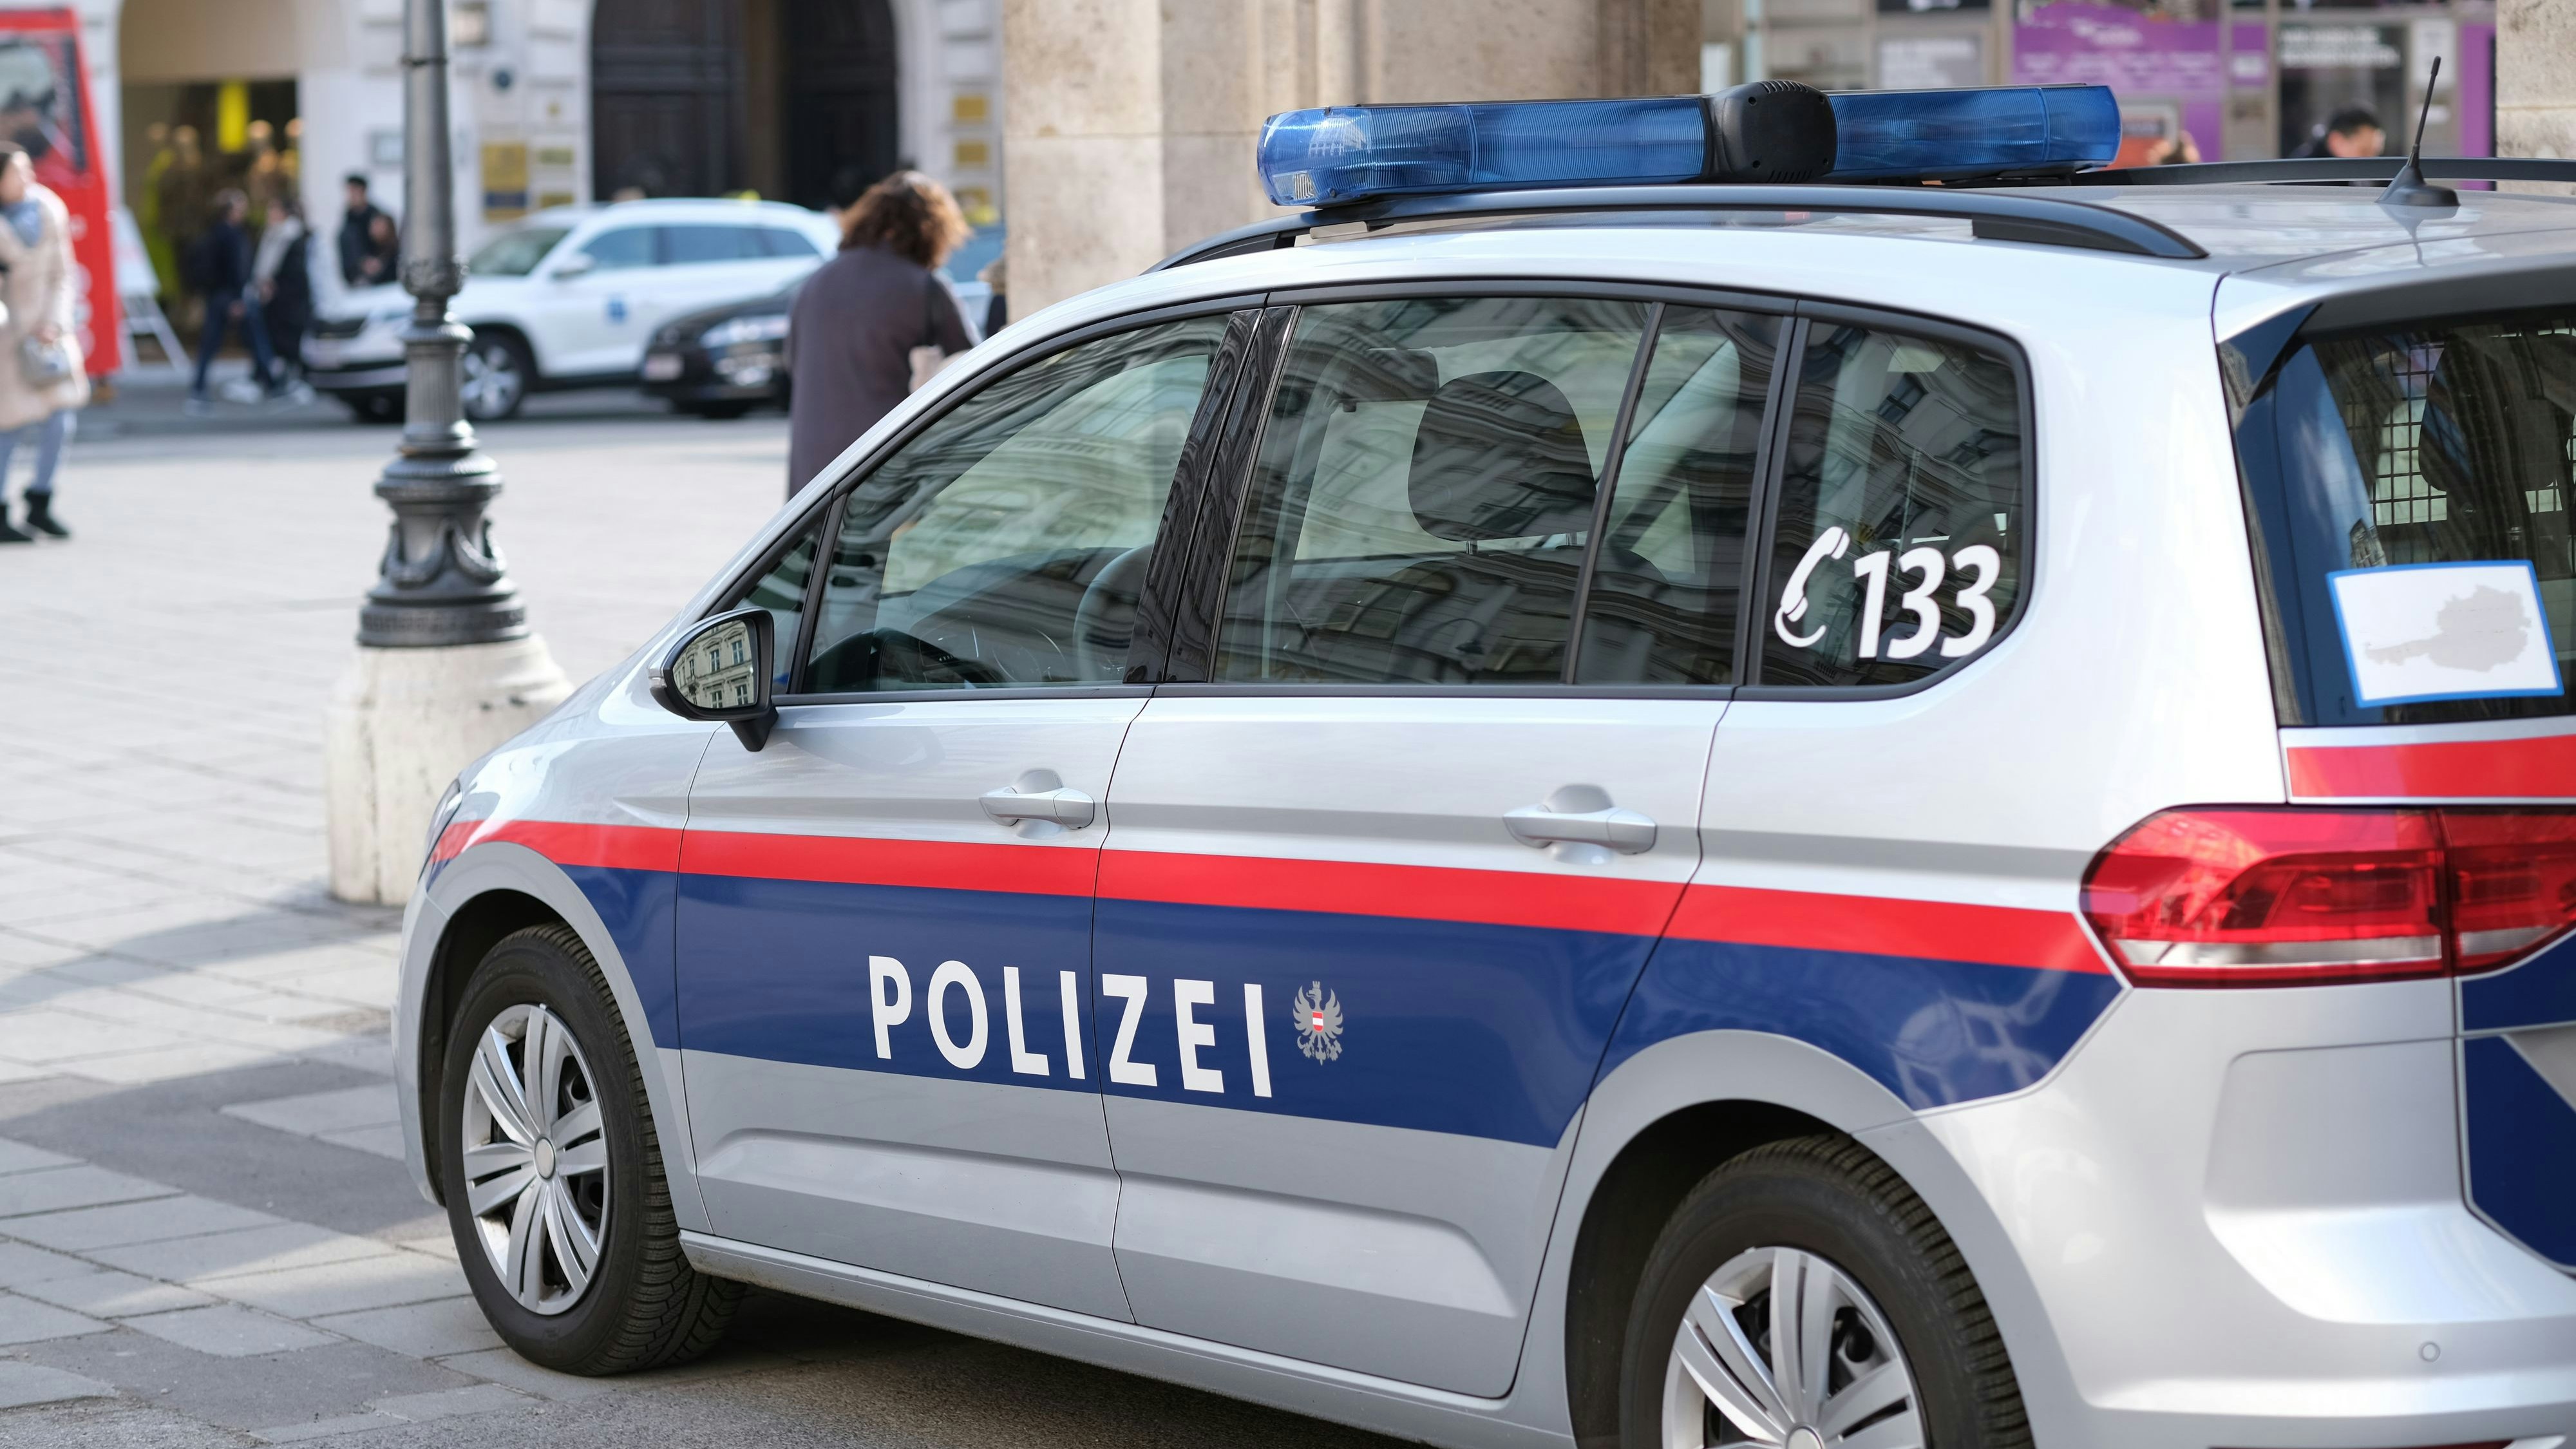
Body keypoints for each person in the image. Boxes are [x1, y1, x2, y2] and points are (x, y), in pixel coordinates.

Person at [783, 170, 978, 500]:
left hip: (812, 471)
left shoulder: (814, 283)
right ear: (933, 229)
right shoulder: (923, 287)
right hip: (885, 466)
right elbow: (975, 370)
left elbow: (792, 362)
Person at [0, 144, 88, 543]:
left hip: (48, 334)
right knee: (8, 427)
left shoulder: (48, 209)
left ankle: (41, 501)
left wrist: (54, 322)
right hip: (6, 338)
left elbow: (63, 272)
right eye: (17, 172)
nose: (27, 177)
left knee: (60, 418)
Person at [185, 189, 279, 414]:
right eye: (240, 207)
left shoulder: (219, 233)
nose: (244, 211)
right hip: (230, 296)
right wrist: (237, 298)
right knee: (252, 339)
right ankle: (273, 383)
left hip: (223, 296)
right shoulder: (229, 235)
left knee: (224, 342)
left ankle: (269, 381)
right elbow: (234, 269)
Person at [252, 192, 316, 399]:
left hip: (289, 301)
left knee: (290, 343)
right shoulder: (273, 234)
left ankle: (294, 382)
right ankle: (274, 380)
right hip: (276, 300)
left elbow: (295, 273)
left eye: (274, 209)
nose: (270, 214)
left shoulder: (292, 236)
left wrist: (273, 285)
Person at [337, 173, 395, 287]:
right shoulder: (349, 218)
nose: (350, 195)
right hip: (357, 278)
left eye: (354, 190)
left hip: (380, 279)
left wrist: (377, 262)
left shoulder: (376, 216)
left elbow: (388, 244)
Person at [2293, 106, 2386, 162]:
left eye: (2375, 154)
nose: (2372, 161)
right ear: (2336, 142)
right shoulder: (2307, 176)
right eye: (2364, 152)